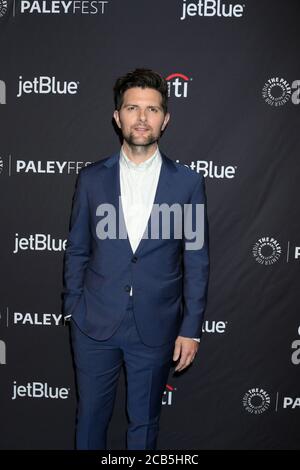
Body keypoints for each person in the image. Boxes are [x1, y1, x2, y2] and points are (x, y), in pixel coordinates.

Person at [62, 68, 209, 450]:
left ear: (165, 119)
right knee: (90, 420)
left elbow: (196, 258)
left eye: (152, 109)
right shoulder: (92, 178)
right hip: (93, 322)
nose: (142, 118)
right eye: (132, 108)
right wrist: (72, 307)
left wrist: (190, 328)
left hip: (156, 325)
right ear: (117, 117)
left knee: (144, 425)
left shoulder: (187, 183)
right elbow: (77, 248)